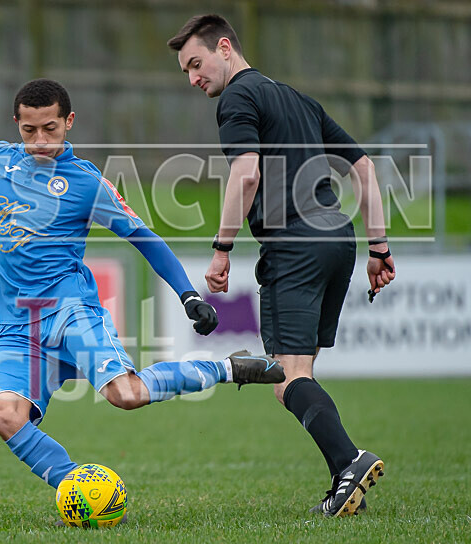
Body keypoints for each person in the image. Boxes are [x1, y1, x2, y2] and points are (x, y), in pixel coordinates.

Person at [0, 79, 284, 496]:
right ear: (16, 124)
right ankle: (77, 486)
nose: (40, 141)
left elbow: (142, 235)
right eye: (29, 131)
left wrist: (187, 294)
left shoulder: (86, 182)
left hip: (71, 314)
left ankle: (229, 368)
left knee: (126, 396)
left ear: (69, 121)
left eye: (50, 128)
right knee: (3, 416)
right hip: (17, 330)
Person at [167, 15, 396, 517]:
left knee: (289, 378)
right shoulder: (297, 98)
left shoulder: (238, 99)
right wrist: (379, 248)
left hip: (294, 245)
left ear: (224, 47)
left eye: (196, 64)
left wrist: (221, 247)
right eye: (186, 70)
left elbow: (245, 175)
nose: (193, 79)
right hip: (339, 237)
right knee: (295, 376)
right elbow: (364, 167)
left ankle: (348, 462)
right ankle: (344, 474)